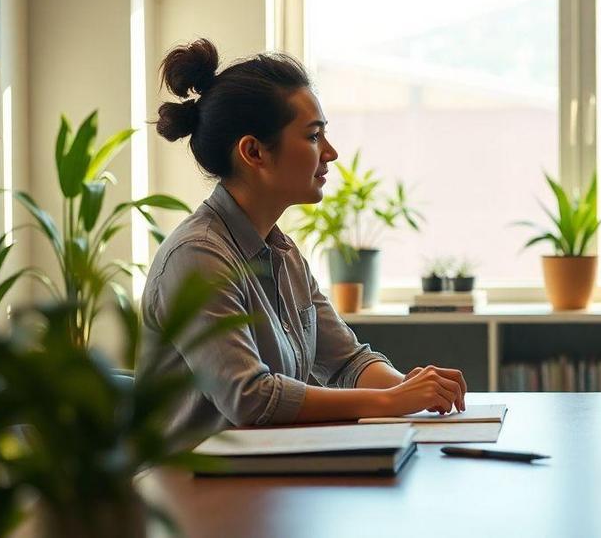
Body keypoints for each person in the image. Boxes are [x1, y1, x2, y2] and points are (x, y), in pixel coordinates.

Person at [138, 38, 466, 445]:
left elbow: (347, 360)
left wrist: (407, 390)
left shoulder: (284, 254)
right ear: (253, 152)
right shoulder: (197, 256)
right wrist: (389, 402)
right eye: (313, 137)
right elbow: (250, 398)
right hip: (190, 495)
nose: (331, 153)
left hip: (262, 482)